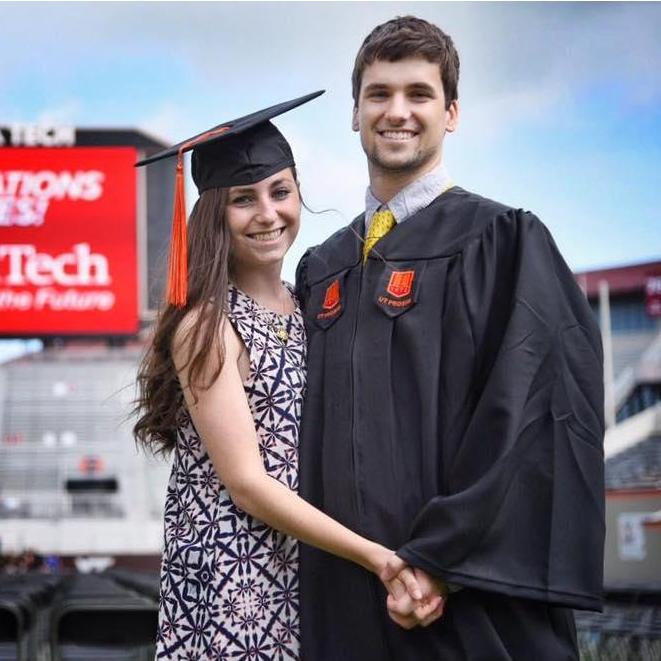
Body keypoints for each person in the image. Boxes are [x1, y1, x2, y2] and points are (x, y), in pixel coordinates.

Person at [295, 16, 605, 660]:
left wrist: (438, 563)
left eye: (418, 94)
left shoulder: (504, 242)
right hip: (344, 604)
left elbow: (534, 419)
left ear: (452, 112)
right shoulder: (321, 267)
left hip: (463, 608)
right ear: (355, 112)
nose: (396, 111)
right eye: (379, 94)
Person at [132, 92, 437, 660]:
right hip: (232, 580)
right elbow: (246, 483)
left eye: (280, 191)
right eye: (243, 199)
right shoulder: (207, 325)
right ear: (215, 214)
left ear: (299, 192)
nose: (268, 213)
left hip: (306, 568)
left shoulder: (309, 307)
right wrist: (377, 555)